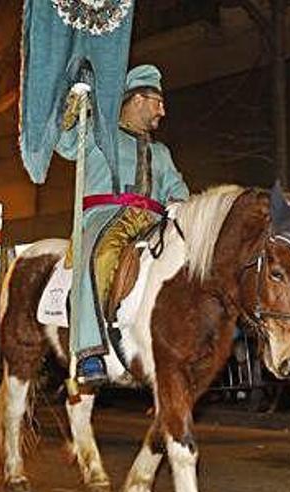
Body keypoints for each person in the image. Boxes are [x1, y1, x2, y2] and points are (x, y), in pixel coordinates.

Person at [73, 65, 189, 385]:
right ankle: (90, 352)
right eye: (158, 102)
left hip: (153, 220)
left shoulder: (160, 152)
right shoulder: (99, 136)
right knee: (99, 258)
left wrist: (180, 204)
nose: (162, 112)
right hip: (107, 217)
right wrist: (78, 102)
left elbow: (176, 188)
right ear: (137, 99)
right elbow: (67, 145)